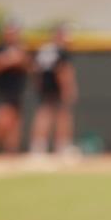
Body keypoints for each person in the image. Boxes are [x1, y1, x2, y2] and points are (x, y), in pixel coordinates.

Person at [29, 23, 78, 157]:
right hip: (56, 86)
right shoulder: (60, 50)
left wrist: (39, 86)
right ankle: (62, 146)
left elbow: (35, 70)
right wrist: (67, 89)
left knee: (44, 113)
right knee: (63, 114)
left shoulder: (44, 49)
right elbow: (62, 71)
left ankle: (38, 146)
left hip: (45, 86)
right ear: (58, 36)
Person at [0, 21, 30, 153]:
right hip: (3, 89)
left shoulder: (21, 48)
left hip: (18, 89)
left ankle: (11, 152)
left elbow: (29, 66)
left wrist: (20, 60)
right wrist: (6, 60)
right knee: (2, 119)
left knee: (16, 121)